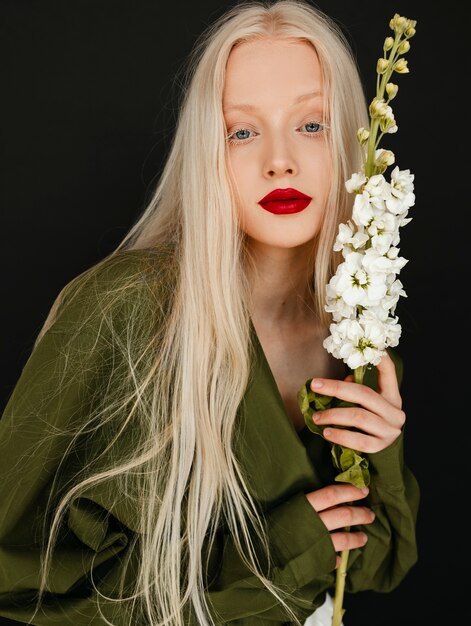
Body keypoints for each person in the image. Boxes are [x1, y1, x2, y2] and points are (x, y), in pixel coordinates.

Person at [0, 1, 419, 625]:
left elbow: (375, 566)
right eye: (242, 132)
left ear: (352, 142)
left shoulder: (357, 332)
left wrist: (380, 451)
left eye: (311, 125)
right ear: (206, 153)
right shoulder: (127, 310)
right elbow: (16, 570)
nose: (280, 160)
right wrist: (272, 552)